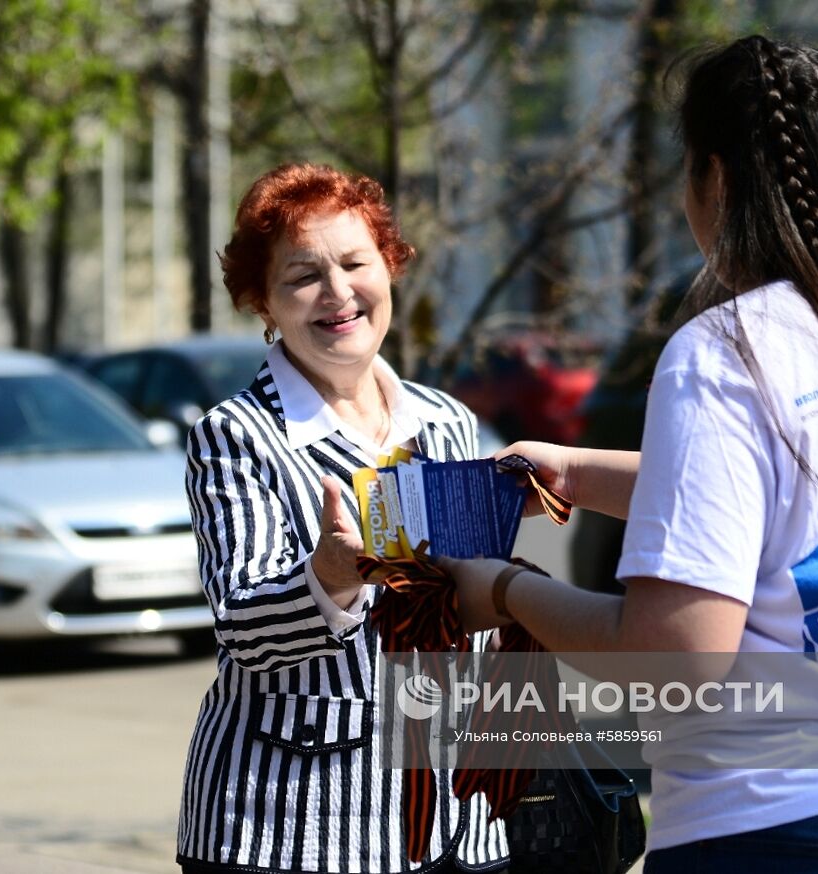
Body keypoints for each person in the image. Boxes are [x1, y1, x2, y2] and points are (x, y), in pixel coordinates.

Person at [440, 35, 818, 871]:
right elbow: (814, 499)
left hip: (795, 823)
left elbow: (674, 658)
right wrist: (577, 476)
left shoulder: (724, 350)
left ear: (715, 178)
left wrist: (508, 593)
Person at [177, 163, 508, 874]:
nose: (336, 293)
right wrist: (329, 578)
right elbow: (243, 632)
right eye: (302, 277)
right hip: (295, 828)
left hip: (464, 823)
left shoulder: (446, 421)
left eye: (355, 263)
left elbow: (477, 610)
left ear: (387, 267)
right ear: (262, 303)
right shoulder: (235, 435)